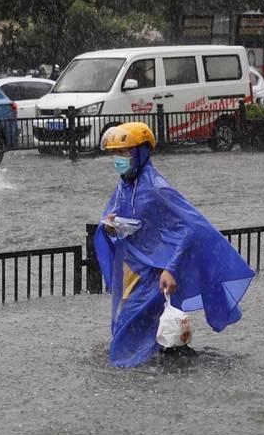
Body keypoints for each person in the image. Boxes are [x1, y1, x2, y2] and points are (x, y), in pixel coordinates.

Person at [95, 122, 255, 368]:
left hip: (155, 272)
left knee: (131, 329)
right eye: (115, 153)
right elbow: (122, 218)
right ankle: (159, 364)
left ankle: (129, 373)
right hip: (133, 269)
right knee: (133, 326)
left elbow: (189, 227)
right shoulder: (124, 186)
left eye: (124, 153)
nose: (118, 159)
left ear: (141, 152)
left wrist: (170, 268)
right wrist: (109, 227)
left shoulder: (156, 188)